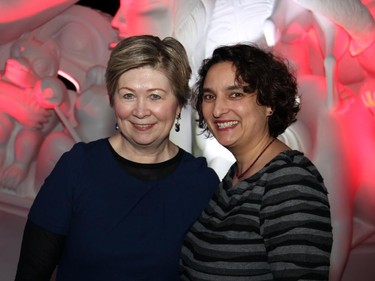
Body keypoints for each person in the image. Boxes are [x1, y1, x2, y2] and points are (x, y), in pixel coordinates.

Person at [14, 35, 219, 281]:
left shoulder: (201, 184)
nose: (140, 111)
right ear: (113, 100)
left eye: (155, 96)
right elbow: (31, 273)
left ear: (178, 105)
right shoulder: (77, 168)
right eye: (128, 95)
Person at [180, 43, 333, 280]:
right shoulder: (234, 177)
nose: (218, 109)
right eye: (210, 96)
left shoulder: (289, 182)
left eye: (236, 94)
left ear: (269, 103)